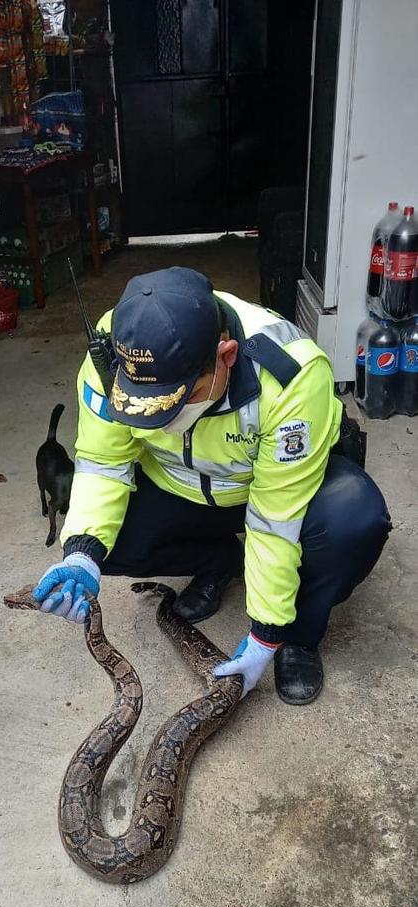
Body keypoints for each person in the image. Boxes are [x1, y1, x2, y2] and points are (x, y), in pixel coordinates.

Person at [33, 267, 391, 705]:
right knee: (99, 541)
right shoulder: (114, 353)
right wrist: (82, 554)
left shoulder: (291, 374)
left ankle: (299, 635)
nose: (161, 420)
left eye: (174, 402)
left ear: (226, 355)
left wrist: (267, 632)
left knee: (353, 519)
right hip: (180, 486)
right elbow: (105, 464)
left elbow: (276, 518)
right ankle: (218, 559)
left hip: (273, 488)